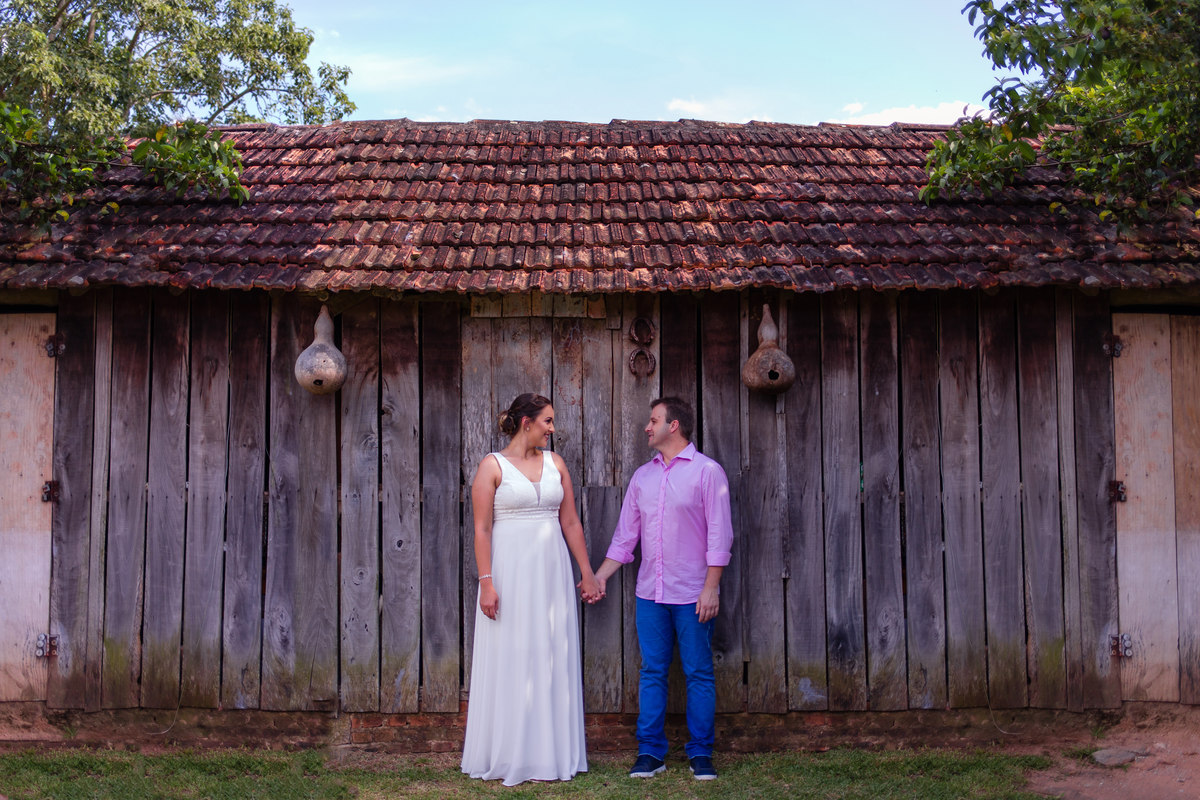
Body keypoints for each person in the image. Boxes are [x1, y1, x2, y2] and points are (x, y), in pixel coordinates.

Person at [461, 393, 602, 786]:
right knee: (513, 653)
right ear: (527, 423)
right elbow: (482, 529)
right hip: (508, 572)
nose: (553, 429)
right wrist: (486, 583)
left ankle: (549, 753)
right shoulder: (492, 466)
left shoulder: (556, 463)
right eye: (548, 421)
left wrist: (587, 572)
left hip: (552, 572)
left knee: (550, 652)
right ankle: (508, 753)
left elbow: (571, 522)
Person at [593, 396, 733, 781]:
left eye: (653, 420)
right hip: (649, 596)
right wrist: (601, 576)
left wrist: (711, 588)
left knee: (699, 673)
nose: (646, 426)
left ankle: (701, 753)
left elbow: (720, 537)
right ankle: (650, 753)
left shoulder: (708, 473)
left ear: (673, 426)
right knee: (652, 671)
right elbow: (625, 539)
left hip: (692, 594)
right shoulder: (643, 477)